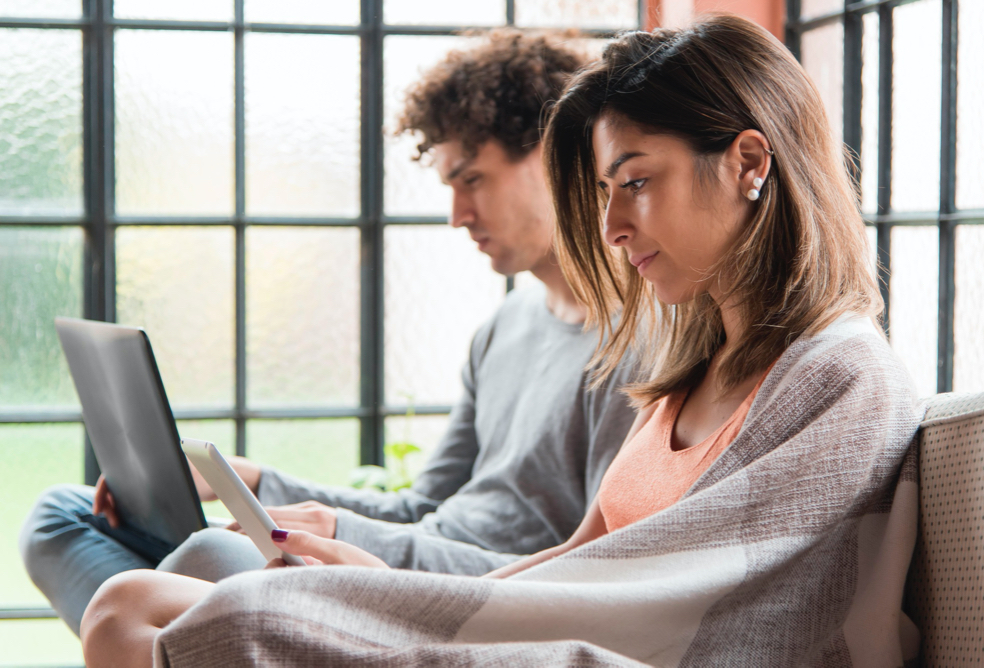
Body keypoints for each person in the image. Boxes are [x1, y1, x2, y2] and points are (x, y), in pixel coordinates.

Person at [80, 16, 924, 667]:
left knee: (168, 607)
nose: (612, 227)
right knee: (159, 581)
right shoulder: (684, 379)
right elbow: (585, 556)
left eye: (636, 183)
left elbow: (712, 606)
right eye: (603, 192)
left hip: (603, 653)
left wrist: (413, 599)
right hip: (549, 627)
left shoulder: (840, 373)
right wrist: (402, 588)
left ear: (749, 162)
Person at [19, 29, 637, 637]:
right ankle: (207, 636)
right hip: (401, 555)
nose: (457, 216)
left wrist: (342, 534)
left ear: (555, 155)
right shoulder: (505, 327)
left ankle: (194, 630)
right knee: (61, 516)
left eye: (471, 179)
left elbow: (577, 578)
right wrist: (250, 481)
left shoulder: (635, 348)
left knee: (201, 565)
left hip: (446, 595)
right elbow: (419, 511)